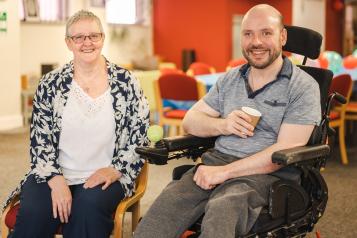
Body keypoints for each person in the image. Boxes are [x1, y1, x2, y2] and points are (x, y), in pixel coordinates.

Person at [134, 4, 321, 238]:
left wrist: (224, 173)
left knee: (223, 209)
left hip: (266, 176)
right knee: (166, 207)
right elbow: (190, 121)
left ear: (282, 36)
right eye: (248, 34)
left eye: (266, 33)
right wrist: (222, 124)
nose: (256, 42)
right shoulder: (231, 78)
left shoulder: (302, 86)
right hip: (216, 163)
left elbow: (284, 151)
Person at [2, 10, 150, 238]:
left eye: (94, 36)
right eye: (79, 37)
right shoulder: (50, 84)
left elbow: (140, 138)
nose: (87, 43)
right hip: (54, 172)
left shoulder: (127, 82)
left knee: (87, 210)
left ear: (102, 38)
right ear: (68, 43)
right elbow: (39, 142)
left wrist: (115, 170)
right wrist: (55, 178)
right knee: (35, 211)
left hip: (106, 174)